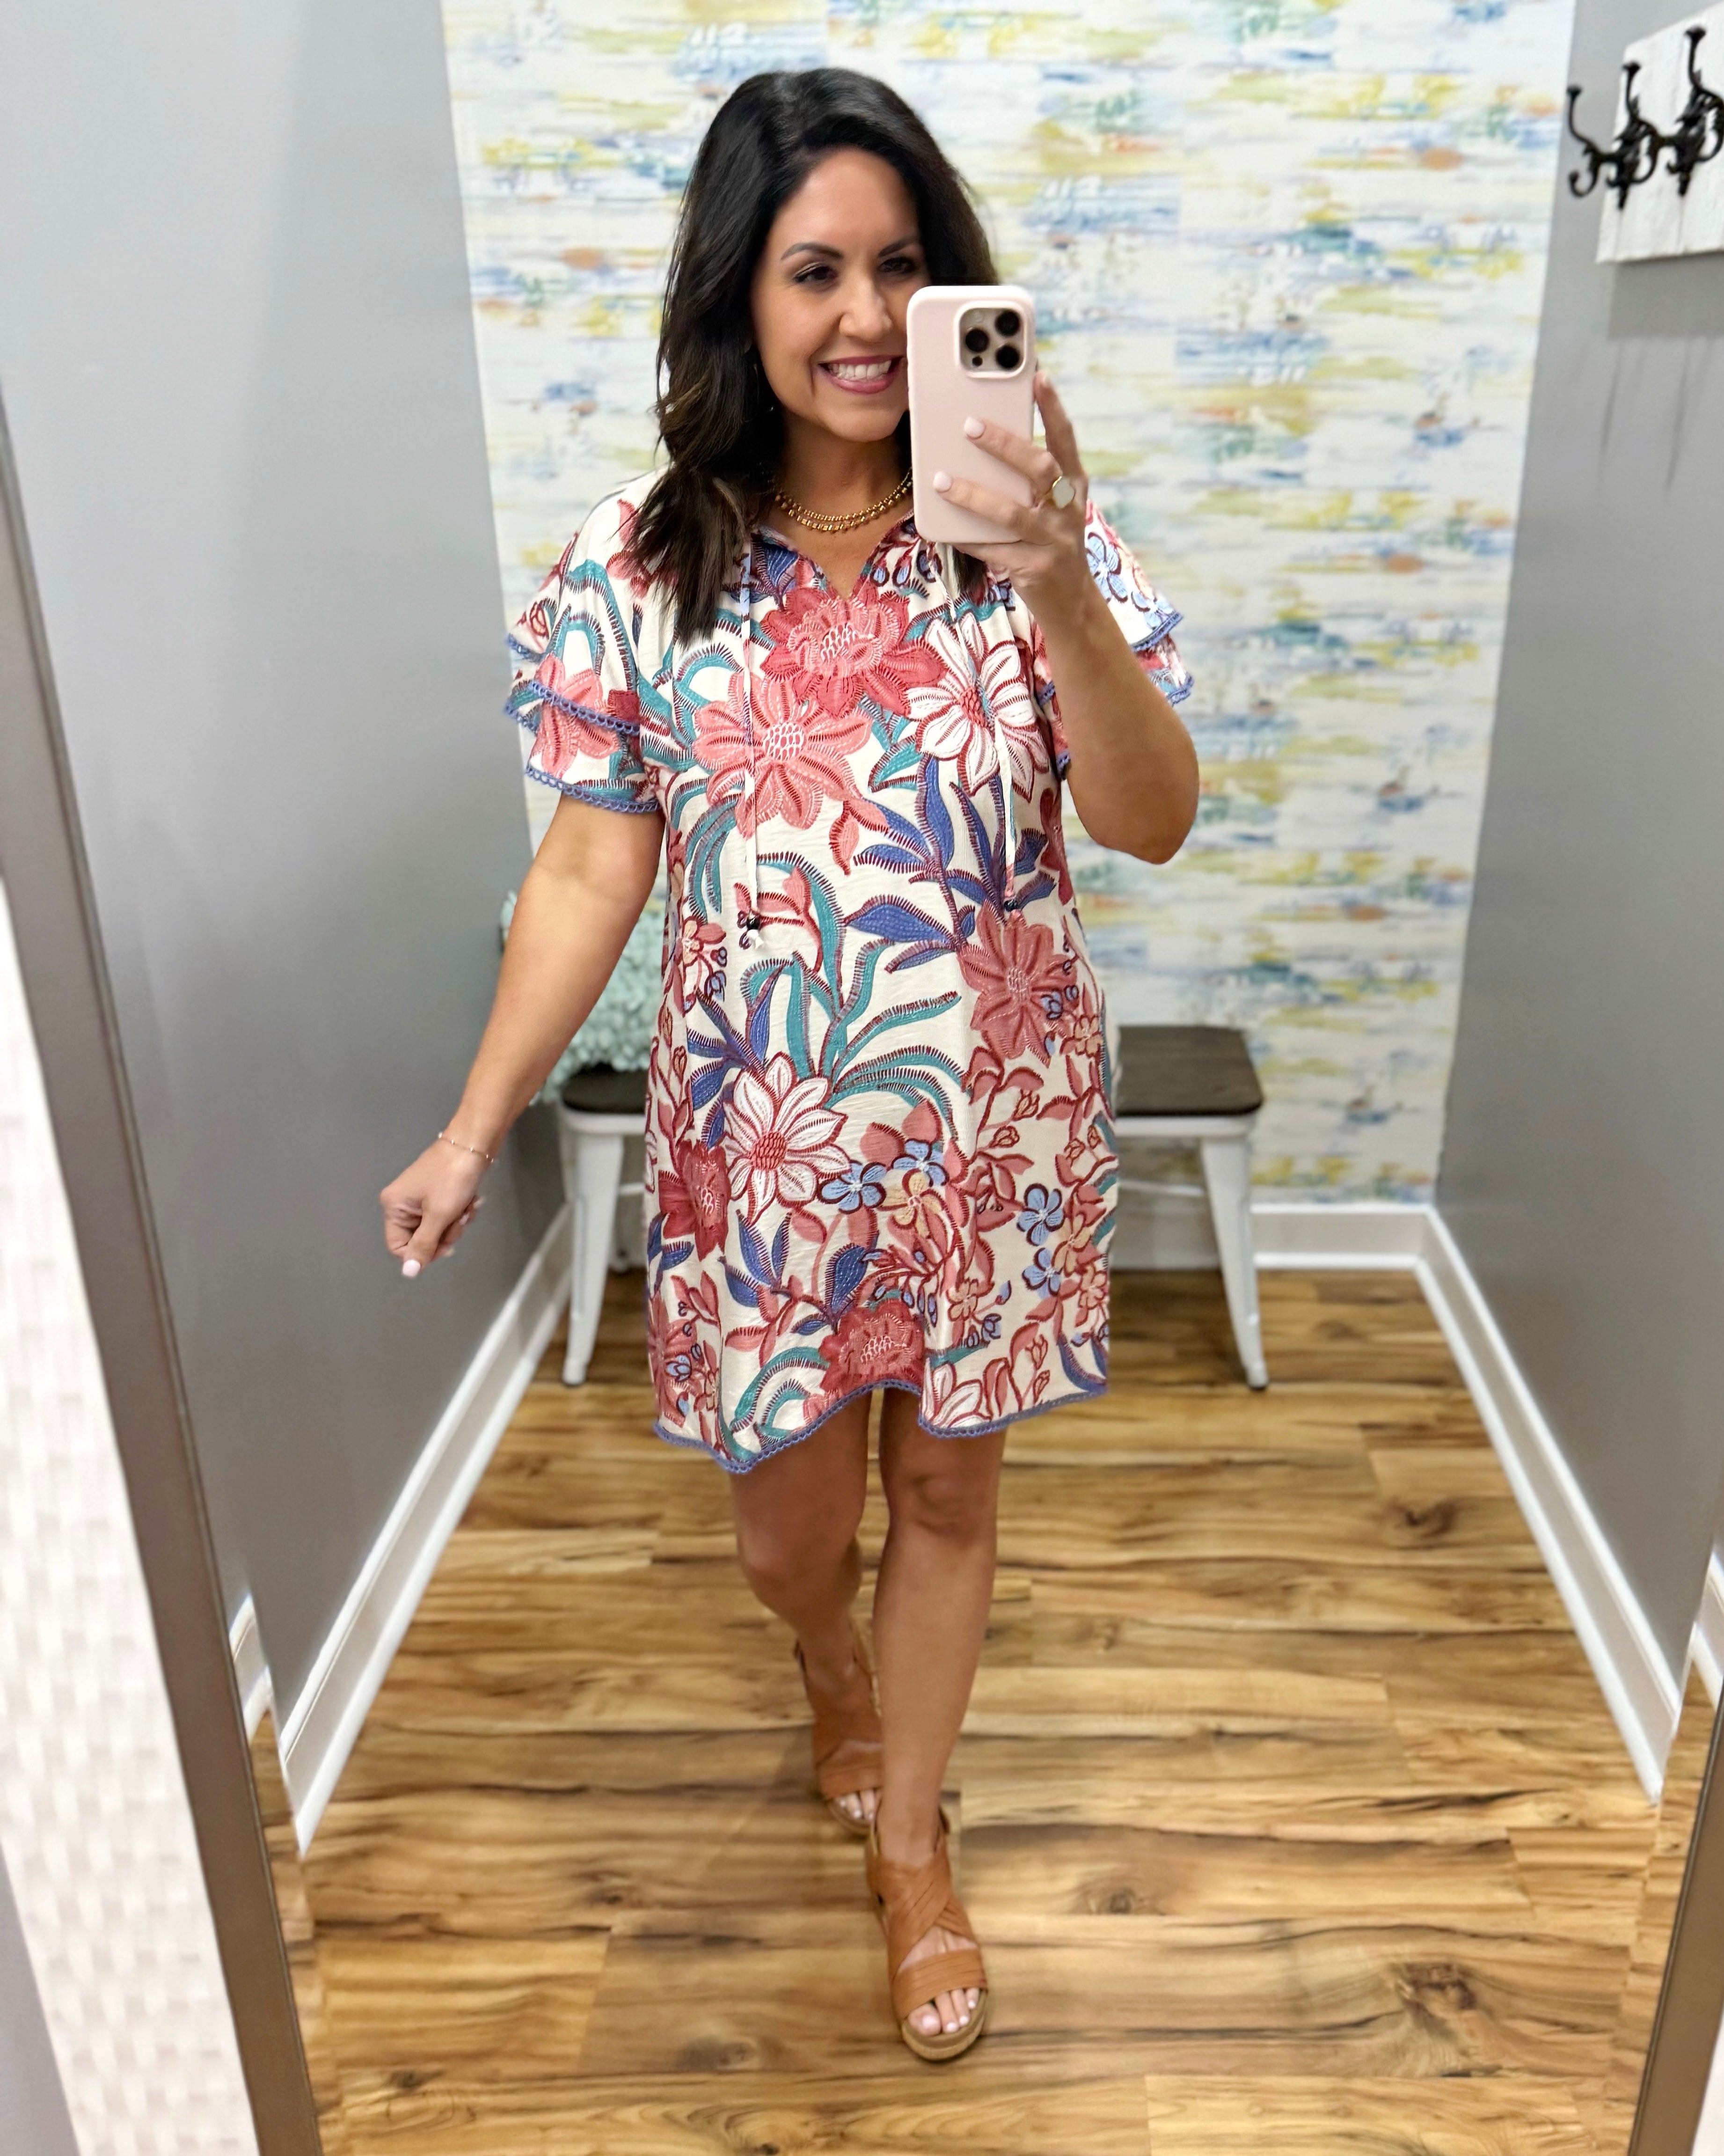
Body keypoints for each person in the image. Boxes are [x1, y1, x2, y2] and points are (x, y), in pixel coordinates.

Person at [380, 66, 1198, 2062]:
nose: (858, 317)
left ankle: (915, 1845)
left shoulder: (1020, 547)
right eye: (814, 268)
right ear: (736, 295)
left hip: (989, 1143)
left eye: (902, 271)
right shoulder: (648, 564)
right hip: (758, 1161)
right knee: (781, 1535)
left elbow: (1155, 817)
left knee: (947, 1496)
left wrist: (1060, 578)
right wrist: (477, 1124)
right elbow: (588, 864)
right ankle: (829, 1666)